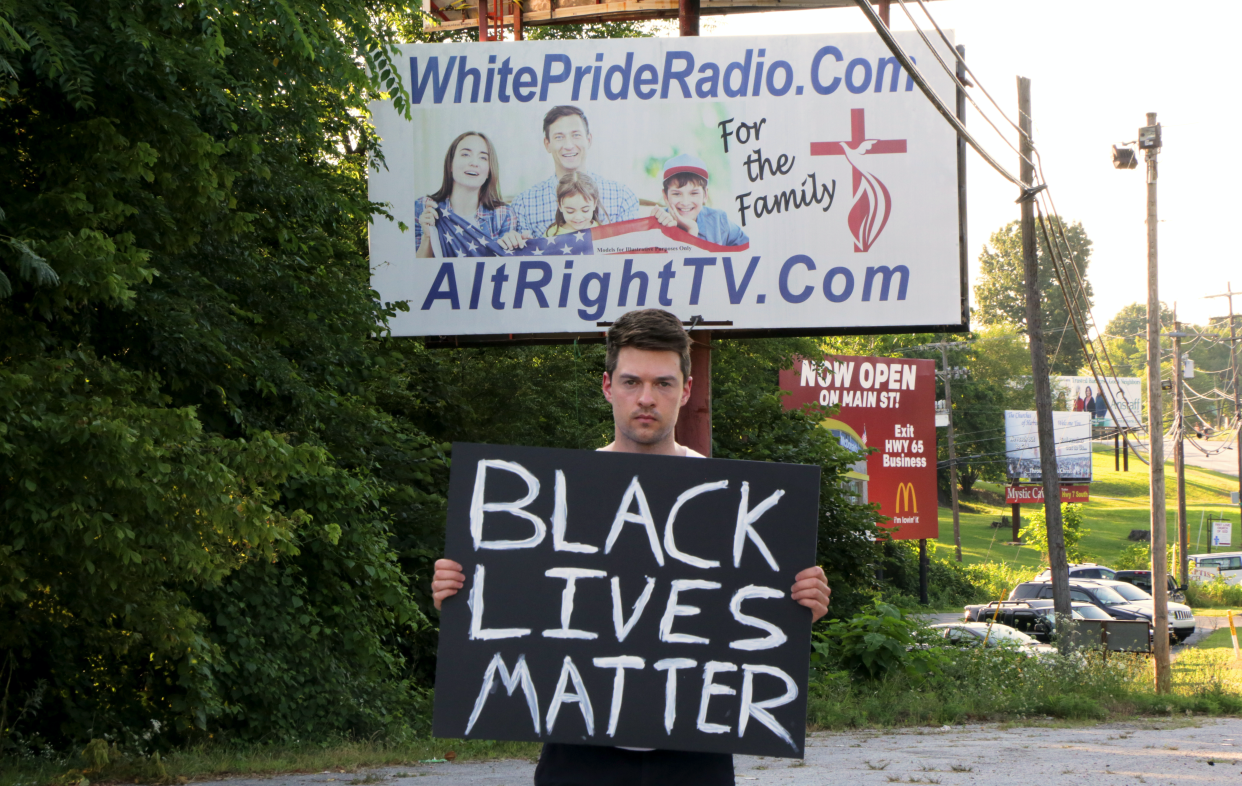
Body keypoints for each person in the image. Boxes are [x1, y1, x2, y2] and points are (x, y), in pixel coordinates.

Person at [431, 308, 832, 786]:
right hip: (578, 750)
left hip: (694, 752)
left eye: (663, 383)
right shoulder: (562, 495)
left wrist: (799, 606)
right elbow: (523, 607)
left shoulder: (733, 502)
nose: (646, 398)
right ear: (607, 387)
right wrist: (461, 594)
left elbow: (748, 625)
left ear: (685, 390)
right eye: (631, 382)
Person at [511, 106, 639, 238]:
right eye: (559, 137)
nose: (568, 146)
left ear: (588, 140)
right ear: (547, 144)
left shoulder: (622, 198)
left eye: (576, 135)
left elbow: (633, 248)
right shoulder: (524, 205)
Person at [415, 131, 528, 258]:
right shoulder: (424, 207)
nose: (474, 163)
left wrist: (516, 244)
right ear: (450, 164)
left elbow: (507, 269)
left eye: (483, 157)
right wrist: (427, 237)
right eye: (465, 154)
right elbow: (413, 272)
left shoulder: (503, 214)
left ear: (489, 171)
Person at [650, 153, 748, 247]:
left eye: (694, 193)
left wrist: (692, 228)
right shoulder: (658, 224)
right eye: (676, 194)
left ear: (705, 195)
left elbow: (748, 250)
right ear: (665, 196)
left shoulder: (719, 221)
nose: (685, 202)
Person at [545, 172, 609, 237]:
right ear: (560, 206)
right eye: (570, 211)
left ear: (594, 204)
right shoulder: (551, 234)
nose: (578, 217)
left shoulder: (603, 231)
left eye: (585, 210)